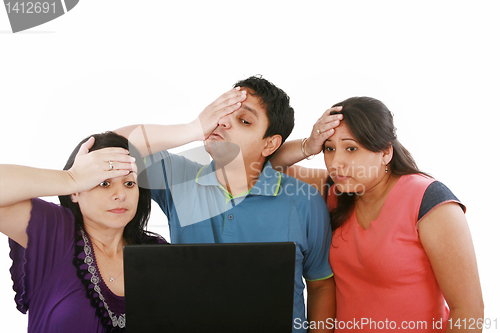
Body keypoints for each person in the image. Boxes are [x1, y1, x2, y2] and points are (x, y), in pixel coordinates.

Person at [115, 76, 336, 332]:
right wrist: (193, 128)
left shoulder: (305, 201)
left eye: (243, 120)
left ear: (270, 144)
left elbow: (320, 284)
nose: (223, 121)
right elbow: (112, 144)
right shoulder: (178, 180)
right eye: (223, 111)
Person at [270, 97, 484, 332]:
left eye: (351, 148)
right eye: (329, 148)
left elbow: (468, 311)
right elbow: (266, 164)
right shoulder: (335, 190)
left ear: (385, 152)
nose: (336, 162)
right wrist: (310, 145)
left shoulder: (428, 199)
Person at [0, 132, 166, 333]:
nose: (121, 195)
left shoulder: (157, 254)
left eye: (129, 183)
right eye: (104, 183)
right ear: (75, 192)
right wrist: (71, 178)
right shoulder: (54, 232)